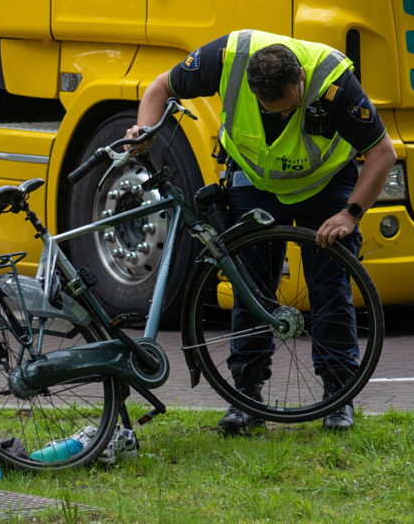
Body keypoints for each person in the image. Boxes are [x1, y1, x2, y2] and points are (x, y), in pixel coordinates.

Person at [127, 30, 396, 433]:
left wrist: (350, 214)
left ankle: (339, 398)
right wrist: (143, 131)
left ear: (300, 83)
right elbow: (159, 87)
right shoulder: (226, 58)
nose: (282, 117)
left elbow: (382, 153)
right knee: (249, 289)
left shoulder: (334, 82)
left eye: (288, 108)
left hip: (324, 184)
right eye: (272, 110)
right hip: (254, 181)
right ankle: (246, 398)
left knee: (330, 288)